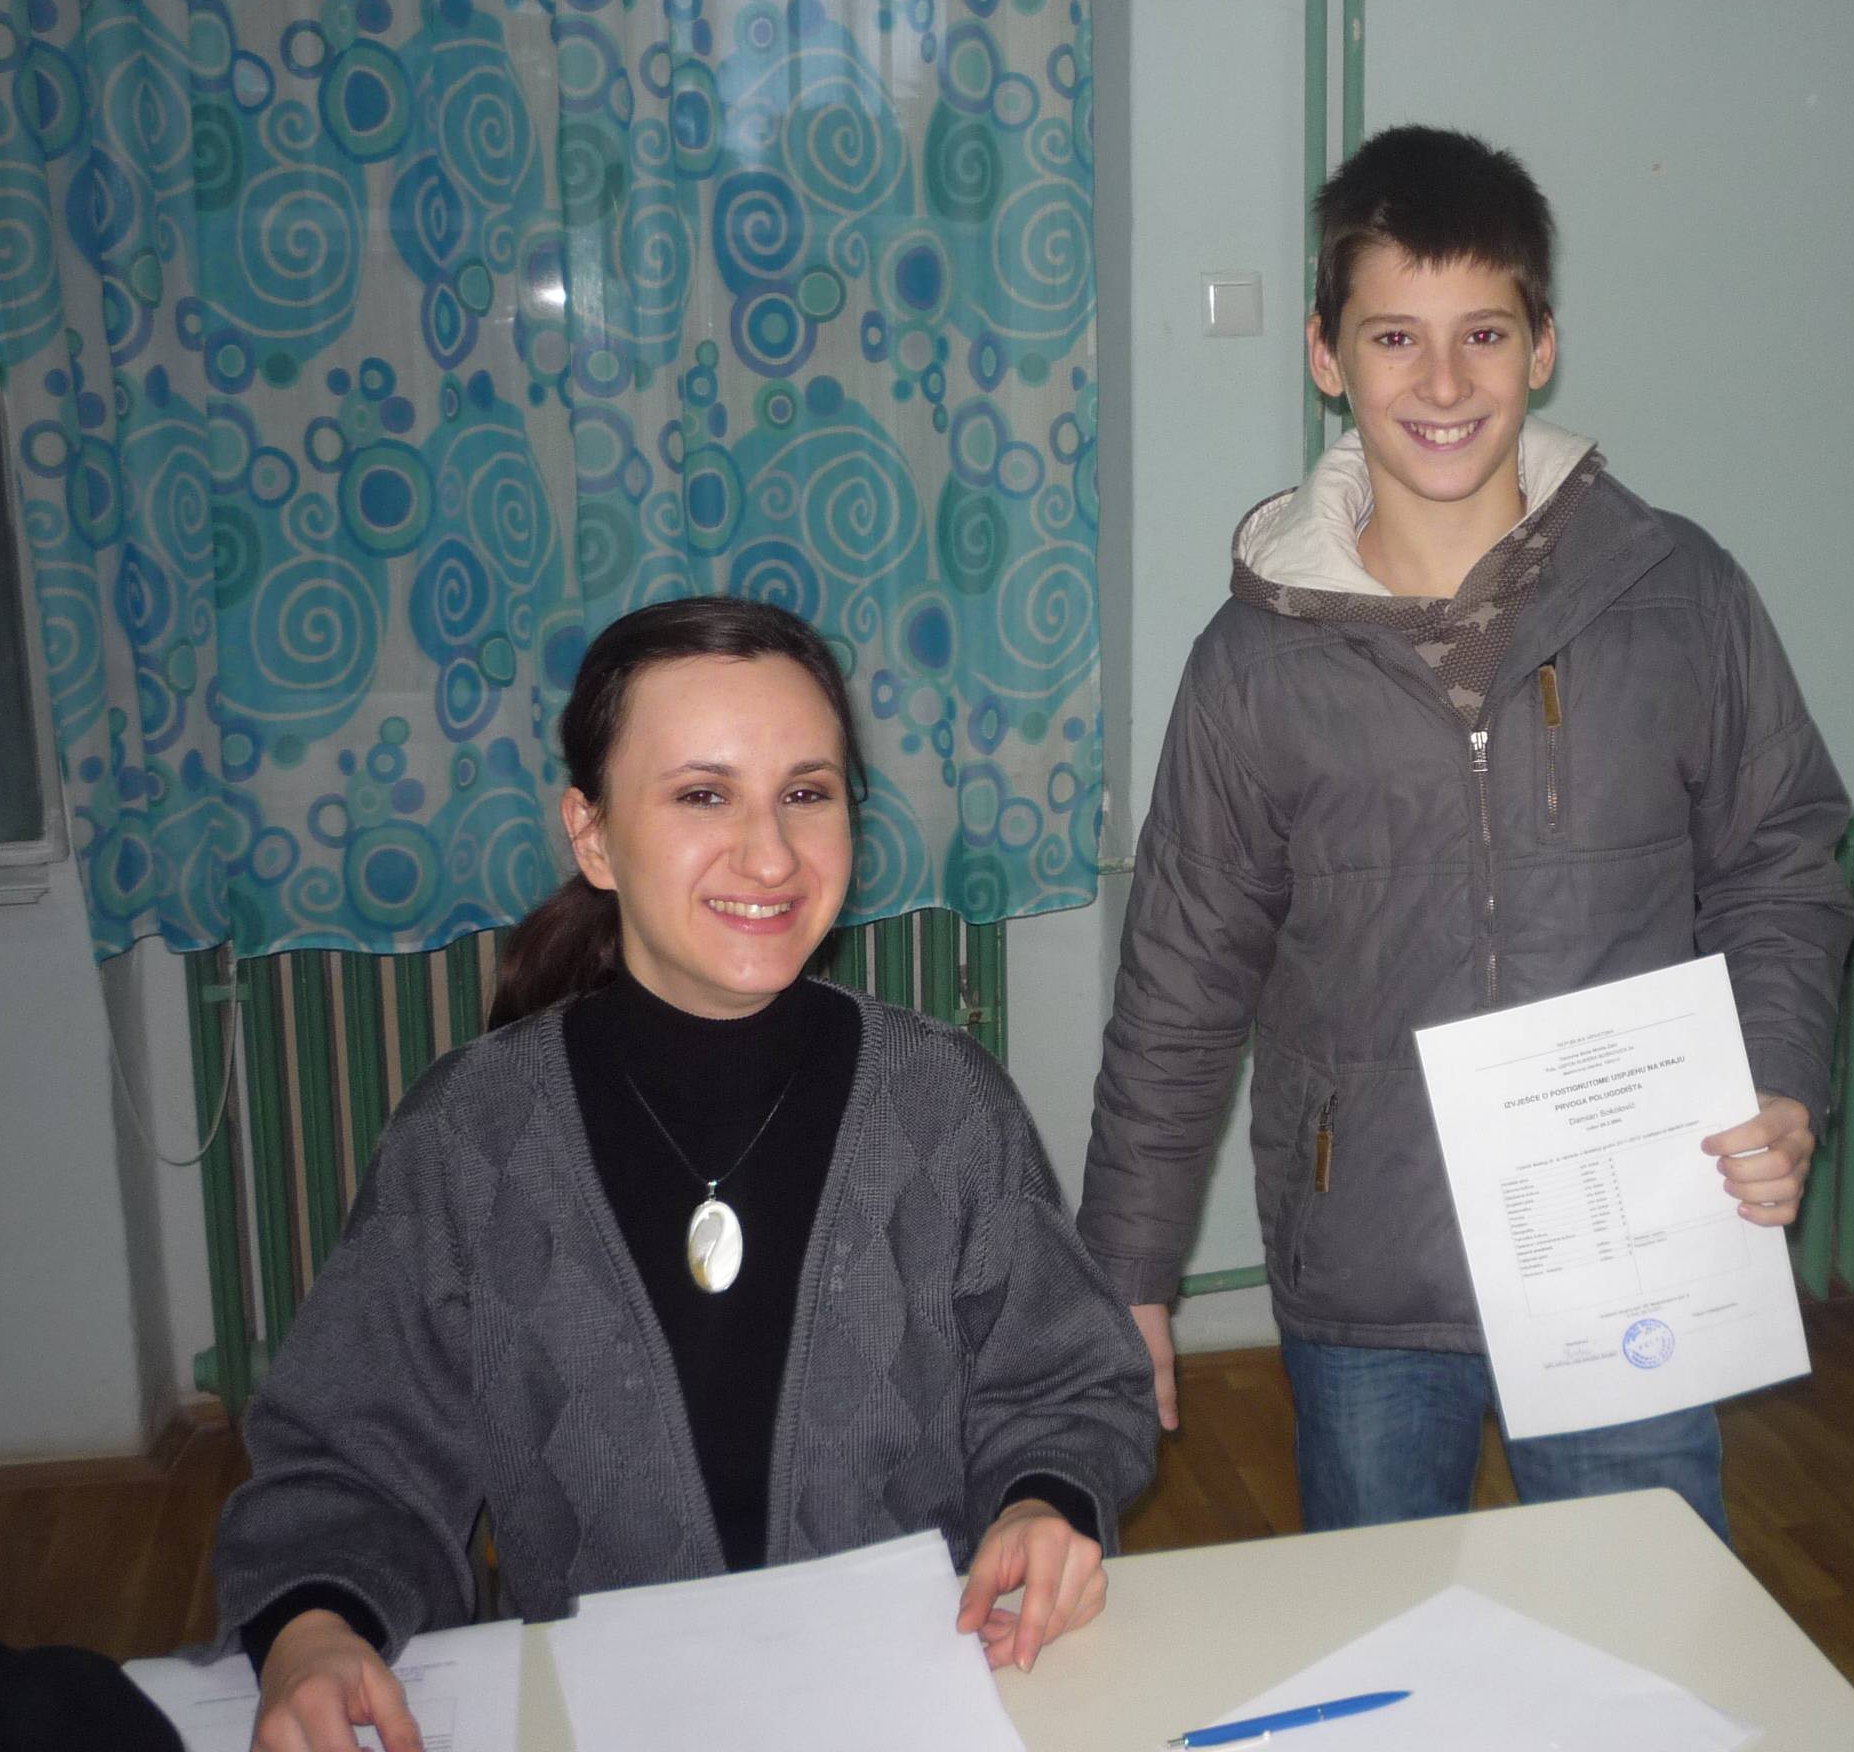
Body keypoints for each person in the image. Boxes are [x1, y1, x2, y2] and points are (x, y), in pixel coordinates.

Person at [1079, 125, 1854, 1538]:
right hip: (1369, 1279)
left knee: (1643, 1627)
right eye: (1394, 338)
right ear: (1325, 357)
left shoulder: (1678, 596)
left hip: (1634, 1249)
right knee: (1394, 1635)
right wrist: (1126, 1274)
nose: (1442, 385)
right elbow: (1179, 986)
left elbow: (1780, 859)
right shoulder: (1253, 666)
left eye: (1482, 334)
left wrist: (1781, 1079)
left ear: (1541, 346)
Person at [213, 597, 1156, 1752]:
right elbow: (348, 1461)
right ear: (593, 834)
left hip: (916, 1695)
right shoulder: (470, 1137)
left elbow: (1067, 1382)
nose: (770, 855)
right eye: (703, 795)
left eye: (806, 793)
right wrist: (315, 1627)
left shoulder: (944, 1104)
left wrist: (1042, 1501)